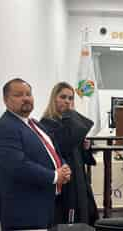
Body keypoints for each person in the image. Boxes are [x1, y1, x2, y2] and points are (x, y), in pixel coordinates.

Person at [0, 78, 71, 231]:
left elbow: (52, 152)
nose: (26, 98)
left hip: (44, 209)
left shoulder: (33, 124)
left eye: (28, 94)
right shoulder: (4, 128)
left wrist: (64, 166)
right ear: (6, 100)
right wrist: (54, 176)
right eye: (19, 95)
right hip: (23, 213)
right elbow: (18, 166)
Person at [40, 82, 98, 226]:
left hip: (79, 178)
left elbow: (80, 153)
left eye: (71, 98)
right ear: (54, 99)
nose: (67, 101)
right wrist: (71, 118)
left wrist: (85, 147)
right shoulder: (47, 124)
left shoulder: (70, 121)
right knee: (69, 219)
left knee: (85, 215)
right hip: (65, 181)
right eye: (63, 97)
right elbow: (64, 146)